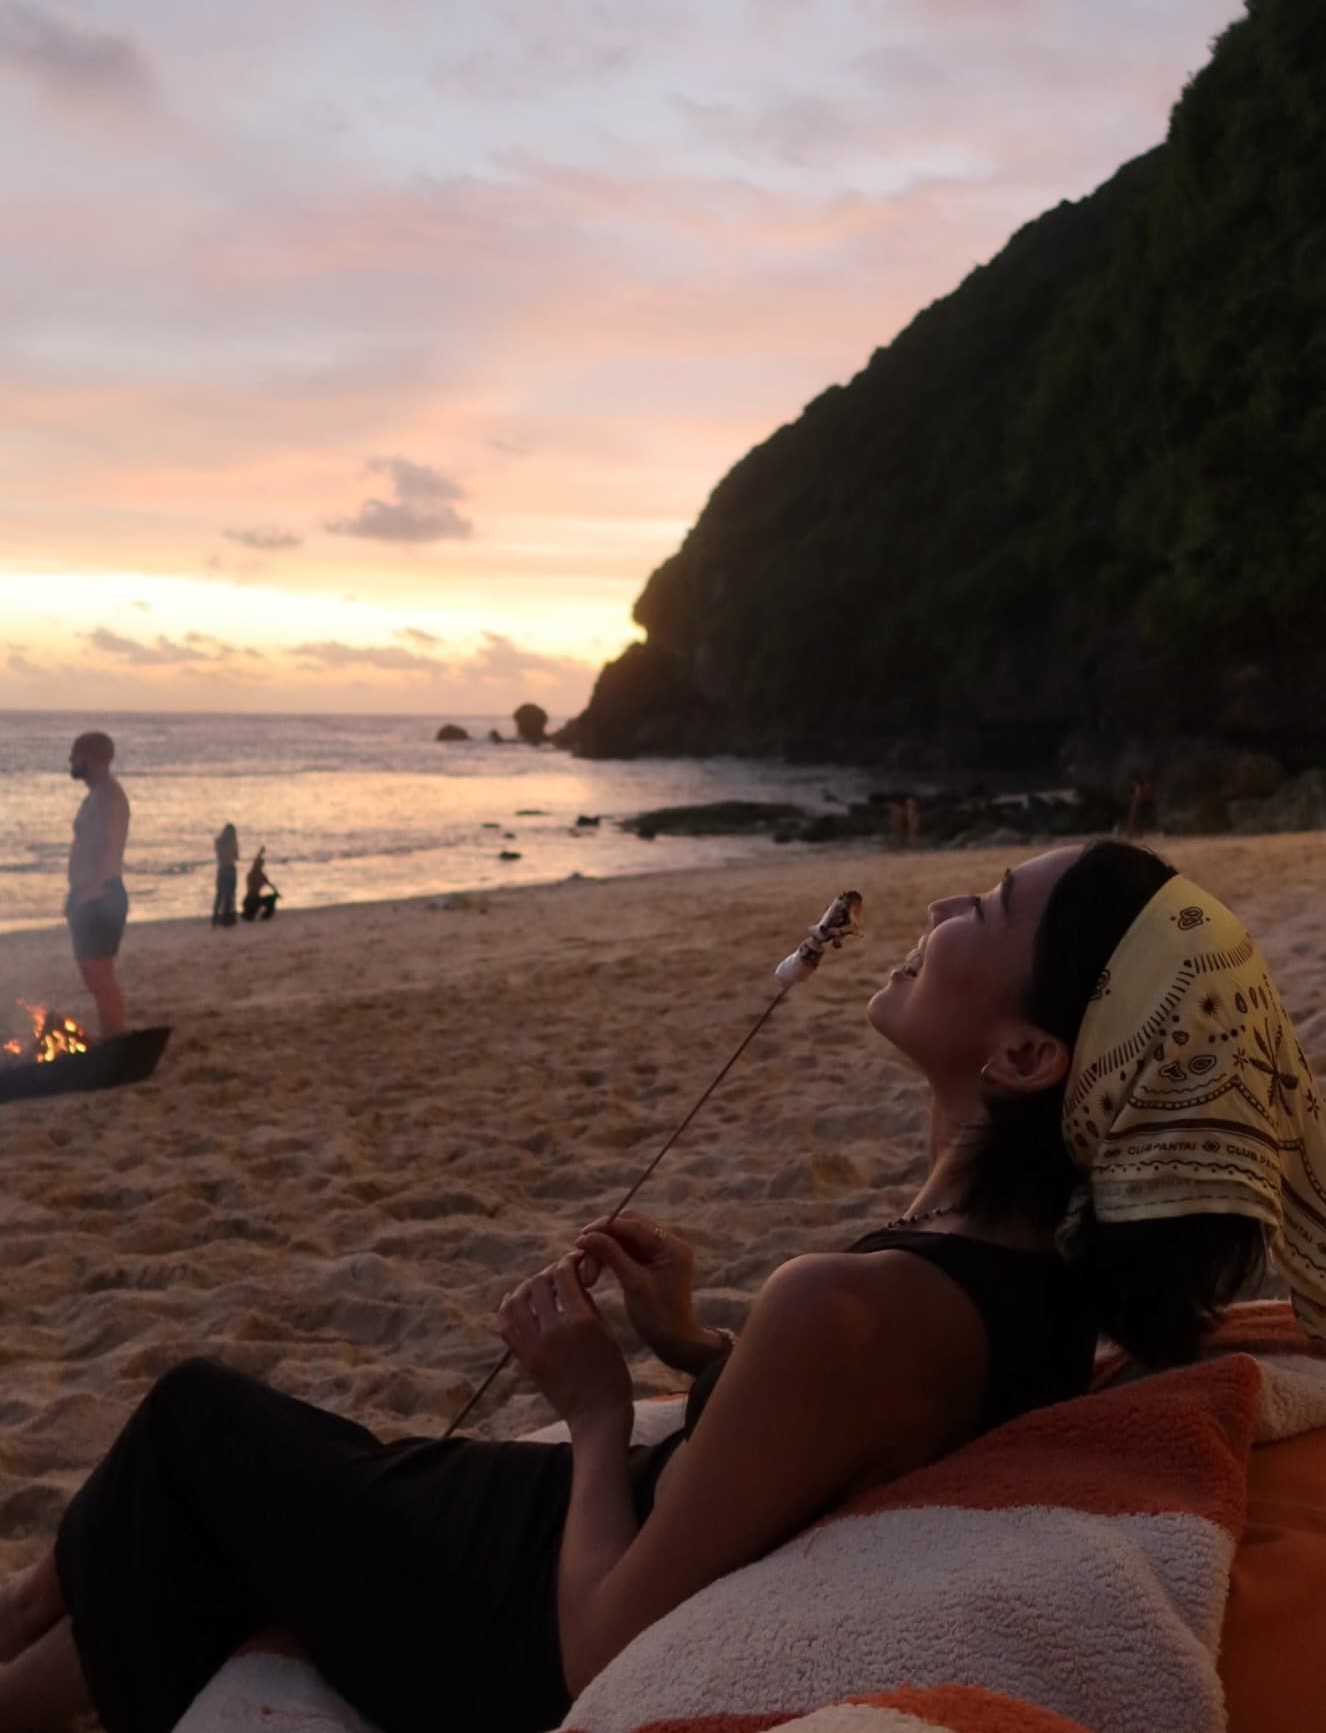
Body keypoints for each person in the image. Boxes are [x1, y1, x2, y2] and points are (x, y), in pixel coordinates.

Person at [4, 839, 1321, 1733]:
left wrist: (589, 1407)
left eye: (977, 909)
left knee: (191, 1416)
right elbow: (862, 1425)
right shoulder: (1033, 1261)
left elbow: (595, 1652)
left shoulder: (848, 1306)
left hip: (524, 1628)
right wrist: (697, 1349)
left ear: (1031, 1052)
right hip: (592, 1527)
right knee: (202, 1504)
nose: (931, 914)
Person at [63, 731, 131, 1040]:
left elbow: (109, 847)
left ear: (91, 758)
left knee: (100, 974)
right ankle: (110, 1037)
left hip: (101, 896)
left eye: (75, 755)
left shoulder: (110, 797)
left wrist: (92, 891)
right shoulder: (95, 795)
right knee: (92, 974)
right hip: (88, 896)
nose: (70, 760)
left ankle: (114, 1041)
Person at [241, 848, 280, 922]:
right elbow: (256, 860)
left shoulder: (260, 874)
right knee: (249, 916)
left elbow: (269, 884)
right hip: (250, 900)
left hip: (255, 899)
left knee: (271, 899)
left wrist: (276, 892)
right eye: (260, 865)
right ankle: (249, 913)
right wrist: (260, 852)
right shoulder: (253, 874)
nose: (261, 866)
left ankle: (260, 914)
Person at [212, 825, 239, 928]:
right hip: (230, 869)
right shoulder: (232, 842)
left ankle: (215, 916)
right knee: (230, 895)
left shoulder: (218, 842)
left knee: (219, 894)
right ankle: (228, 917)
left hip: (221, 869)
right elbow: (236, 856)